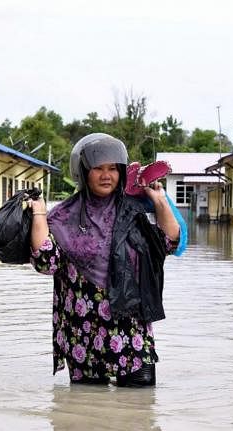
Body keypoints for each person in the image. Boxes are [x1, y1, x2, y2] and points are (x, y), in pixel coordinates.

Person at [29, 133, 180, 387]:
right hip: (83, 333)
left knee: (138, 412)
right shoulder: (63, 216)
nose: (106, 175)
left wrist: (160, 201)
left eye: (112, 169)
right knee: (84, 417)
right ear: (84, 172)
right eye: (98, 168)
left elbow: (168, 242)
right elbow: (47, 261)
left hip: (131, 332)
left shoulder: (134, 211)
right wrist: (39, 213)